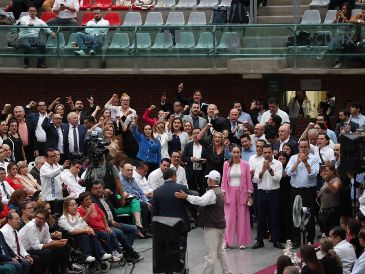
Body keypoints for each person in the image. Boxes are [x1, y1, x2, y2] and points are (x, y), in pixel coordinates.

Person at [175, 170, 231, 274]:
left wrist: (186, 196)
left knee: (210, 255)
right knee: (220, 251)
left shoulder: (211, 193)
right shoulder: (220, 190)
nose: (207, 180)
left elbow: (201, 201)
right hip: (220, 225)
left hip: (213, 227)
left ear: (210, 180)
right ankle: (227, 272)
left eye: (208, 179)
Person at [89, 182, 141, 262]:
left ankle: (126, 251)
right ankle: (130, 252)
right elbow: (99, 217)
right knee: (119, 232)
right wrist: (110, 222)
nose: (99, 190)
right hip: (104, 225)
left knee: (133, 228)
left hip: (115, 222)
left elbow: (118, 205)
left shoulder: (106, 197)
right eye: (96, 188)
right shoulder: (92, 201)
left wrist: (111, 194)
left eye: (100, 187)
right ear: (92, 190)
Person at [286, 139, 320, 247]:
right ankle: (296, 240)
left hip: (308, 191)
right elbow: (288, 172)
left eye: (305, 147)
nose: (303, 149)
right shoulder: (293, 158)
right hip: (295, 190)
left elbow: (313, 174)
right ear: (298, 148)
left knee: (308, 215)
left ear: (309, 148)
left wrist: (305, 163)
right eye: (301, 147)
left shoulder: (314, 158)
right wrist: (297, 162)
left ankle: (309, 239)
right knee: (296, 215)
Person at [152, 168, 190, 263]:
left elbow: (154, 212)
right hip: (180, 226)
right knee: (181, 252)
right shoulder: (182, 188)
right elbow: (189, 205)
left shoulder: (156, 192)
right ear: (173, 176)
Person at [58, 197, 112, 263]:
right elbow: (71, 231)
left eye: (75, 204)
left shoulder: (77, 214)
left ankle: (101, 254)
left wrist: (89, 229)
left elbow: (84, 224)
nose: (75, 207)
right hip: (72, 238)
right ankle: (87, 255)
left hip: (82, 234)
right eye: (72, 205)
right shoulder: (63, 219)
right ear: (66, 207)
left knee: (92, 233)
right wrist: (85, 230)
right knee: (85, 235)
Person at [252, 144, 284, 249]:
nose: (266, 154)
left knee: (275, 218)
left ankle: (276, 240)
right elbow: (255, 180)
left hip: (274, 193)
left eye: (268, 152)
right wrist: (262, 171)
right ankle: (259, 240)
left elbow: (277, 179)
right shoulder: (258, 164)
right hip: (261, 193)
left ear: (272, 152)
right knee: (260, 218)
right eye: (264, 152)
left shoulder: (278, 163)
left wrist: (269, 169)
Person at [19, 208, 70, 274]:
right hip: (25, 250)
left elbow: (47, 240)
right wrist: (54, 244)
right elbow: (35, 246)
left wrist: (59, 242)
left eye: (41, 219)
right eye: (37, 217)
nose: (38, 220)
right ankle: (47, 270)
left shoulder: (45, 225)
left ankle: (62, 271)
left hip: (34, 248)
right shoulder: (31, 226)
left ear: (46, 220)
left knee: (60, 248)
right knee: (47, 252)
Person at [221, 146, 253, 249]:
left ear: (240, 153)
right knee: (229, 218)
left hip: (242, 193)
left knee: (242, 218)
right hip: (230, 193)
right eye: (234, 152)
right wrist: (223, 193)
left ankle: (242, 242)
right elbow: (224, 179)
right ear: (231, 153)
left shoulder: (245, 164)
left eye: (237, 152)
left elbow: (248, 180)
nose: (235, 154)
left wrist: (249, 194)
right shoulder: (226, 164)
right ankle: (226, 241)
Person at [77, 192, 121, 262]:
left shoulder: (94, 205)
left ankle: (115, 251)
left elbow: (103, 216)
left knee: (112, 232)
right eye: (86, 200)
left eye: (90, 199)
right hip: (93, 229)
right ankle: (111, 254)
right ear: (81, 202)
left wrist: (107, 227)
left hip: (103, 227)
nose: (89, 201)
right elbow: (82, 222)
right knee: (106, 235)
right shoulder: (79, 210)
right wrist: (88, 213)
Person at [120, 163, 151, 234]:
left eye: (131, 170)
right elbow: (131, 195)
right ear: (123, 171)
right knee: (143, 205)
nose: (130, 172)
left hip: (138, 200)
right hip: (129, 201)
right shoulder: (121, 180)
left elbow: (141, 192)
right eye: (128, 170)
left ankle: (152, 228)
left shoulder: (132, 179)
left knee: (152, 202)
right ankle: (144, 230)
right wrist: (144, 202)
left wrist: (147, 201)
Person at [318, 162, 342, 236]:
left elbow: (334, 190)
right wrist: (320, 194)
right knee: (327, 233)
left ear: (332, 171)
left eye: (327, 170)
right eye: (324, 170)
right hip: (324, 210)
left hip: (332, 211)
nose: (325, 172)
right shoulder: (325, 181)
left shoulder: (336, 180)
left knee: (333, 233)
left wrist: (327, 181)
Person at [182, 128, 207, 195]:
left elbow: (209, 158)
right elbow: (183, 158)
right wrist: (191, 159)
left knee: (202, 191)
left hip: (202, 172)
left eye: (198, 133)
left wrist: (205, 161)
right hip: (191, 172)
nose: (196, 135)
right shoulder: (188, 145)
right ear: (192, 135)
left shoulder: (206, 145)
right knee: (192, 192)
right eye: (194, 133)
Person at [277, 151, 292, 242]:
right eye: (280, 159)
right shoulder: (274, 167)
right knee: (278, 215)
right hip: (277, 193)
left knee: (287, 215)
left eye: (284, 159)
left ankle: (288, 236)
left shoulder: (288, 168)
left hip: (287, 194)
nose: (282, 161)